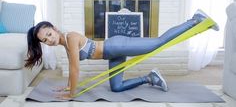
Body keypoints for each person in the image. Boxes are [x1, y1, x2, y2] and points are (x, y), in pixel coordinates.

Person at [25, 9, 219, 99]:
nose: (49, 40)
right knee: (116, 88)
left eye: (49, 34)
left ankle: (194, 20)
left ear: (55, 29)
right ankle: (150, 78)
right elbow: (71, 67)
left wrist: (72, 94)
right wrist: (67, 87)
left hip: (117, 45)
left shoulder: (72, 38)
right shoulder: (65, 43)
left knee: (158, 42)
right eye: (44, 40)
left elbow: (75, 69)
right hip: (113, 54)